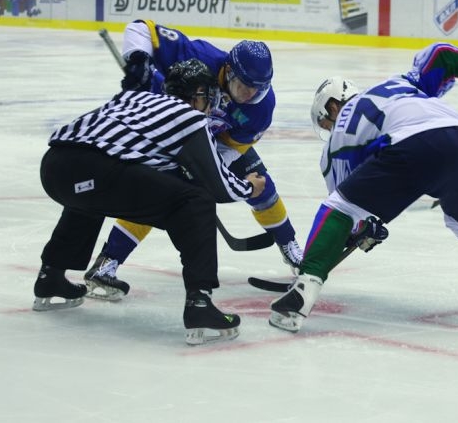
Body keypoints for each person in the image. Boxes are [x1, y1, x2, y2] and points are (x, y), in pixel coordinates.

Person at [268, 45, 458, 333]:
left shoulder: (336, 142)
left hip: (415, 147)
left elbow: (346, 215)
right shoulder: (398, 84)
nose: (327, 128)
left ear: (333, 106)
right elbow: (443, 56)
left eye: (324, 120)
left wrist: (361, 230)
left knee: (341, 205)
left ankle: (302, 292)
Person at [32, 58, 265, 345]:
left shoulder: (134, 99)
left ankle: (51, 276)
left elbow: (118, 151)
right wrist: (249, 187)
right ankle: (200, 303)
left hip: (55, 168)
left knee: (91, 199)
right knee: (197, 202)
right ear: (198, 96)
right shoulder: (189, 117)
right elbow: (217, 186)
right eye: (208, 97)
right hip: (97, 172)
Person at [83, 21, 305, 300]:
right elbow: (141, 28)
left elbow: (234, 146)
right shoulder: (200, 56)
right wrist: (139, 60)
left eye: (257, 89)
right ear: (227, 70)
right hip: (169, 132)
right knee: (157, 193)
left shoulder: (262, 107)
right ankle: (106, 263)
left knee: (263, 185)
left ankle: (290, 247)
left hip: (215, 140)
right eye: (243, 86)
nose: (249, 95)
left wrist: (206, 168)